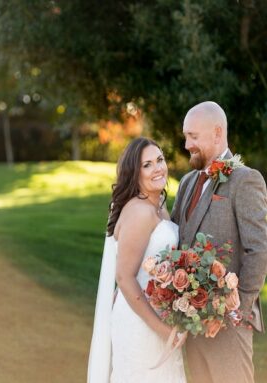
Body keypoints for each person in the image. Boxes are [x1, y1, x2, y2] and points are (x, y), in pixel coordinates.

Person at [171, 101, 267, 383]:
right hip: (191, 327)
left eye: (193, 136)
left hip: (228, 330)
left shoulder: (245, 180)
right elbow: (176, 241)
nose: (187, 144)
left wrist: (234, 313)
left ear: (217, 133)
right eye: (185, 136)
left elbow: (260, 251)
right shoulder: (187, 182)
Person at [88, 137, 186, 383]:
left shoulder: (158, 205)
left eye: (160, 160)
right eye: (147, 165)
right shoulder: (139, 212)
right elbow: (124, 277)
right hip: (140, 322)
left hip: (158, 316)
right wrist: (162, 329)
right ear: (135, 173)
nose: (158, 168)